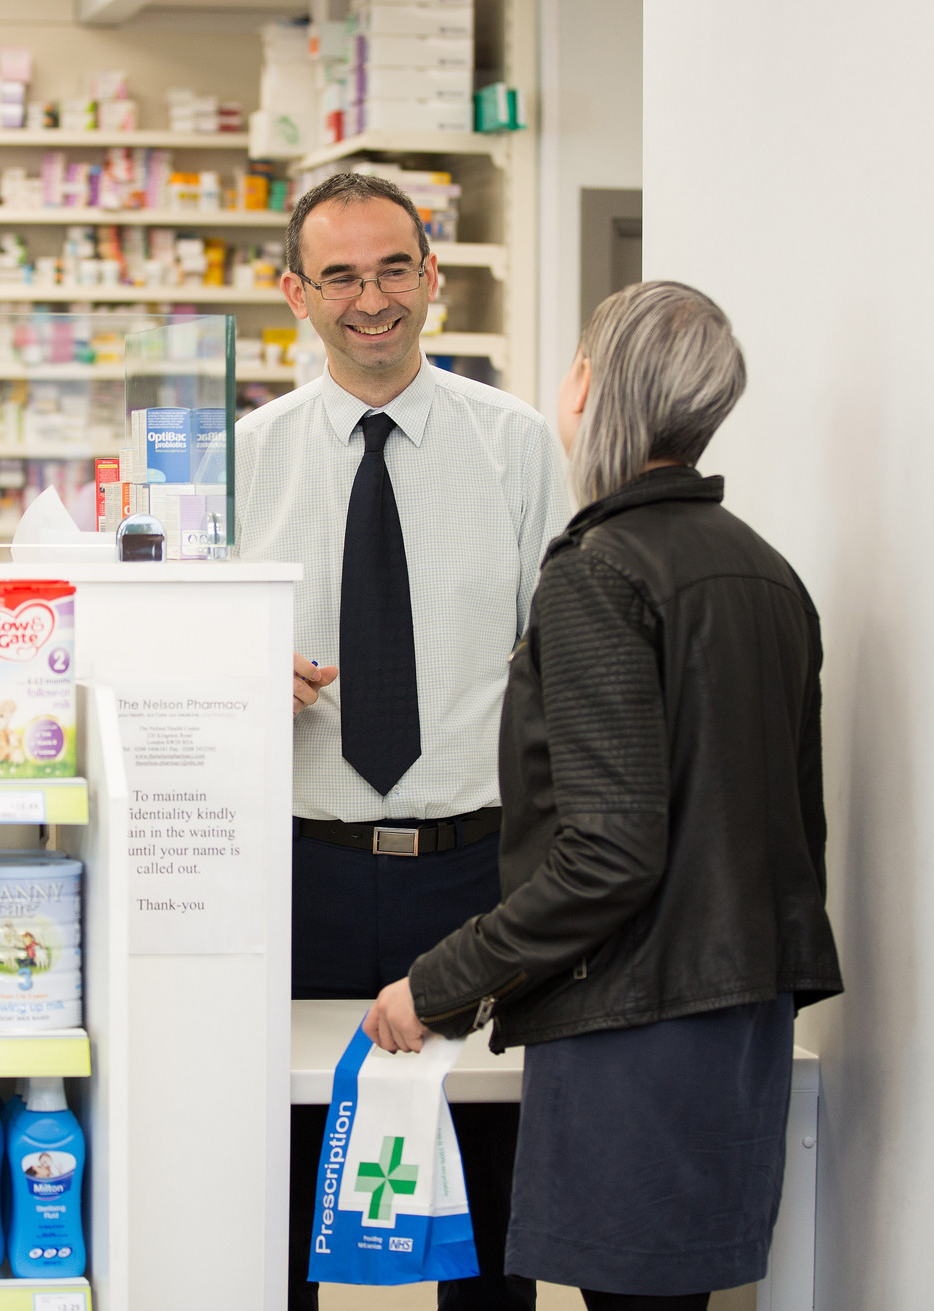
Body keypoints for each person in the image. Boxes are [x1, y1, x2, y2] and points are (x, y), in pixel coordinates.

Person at [362, 281, 846, 1311]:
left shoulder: (597, 574)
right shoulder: (763, 572)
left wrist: (439, 982)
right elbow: (786, 823)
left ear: (587, 387)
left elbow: (608, 854)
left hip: (637, 1027)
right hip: (737, 1016)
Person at [236, 170, 570, 1311]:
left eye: (392, 270)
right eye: (338, 275)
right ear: (294, 293)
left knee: (485, 1195)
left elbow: (565, 659)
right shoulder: (239, 462)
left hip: (475, 874)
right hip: (300, 869)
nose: (368, 298)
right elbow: (164, 670)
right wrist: (232, 680)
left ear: (432, 279)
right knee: (274, 1190)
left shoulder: (515, 447)